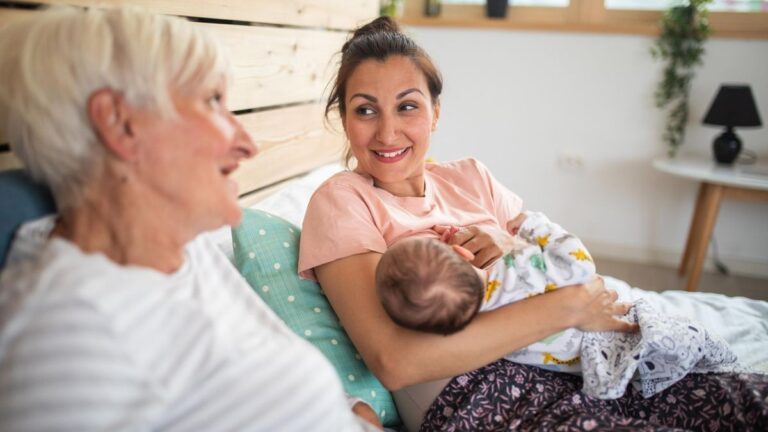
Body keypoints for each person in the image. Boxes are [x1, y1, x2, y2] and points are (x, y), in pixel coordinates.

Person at [298, 16, 768, 430]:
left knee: (746, 402)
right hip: (480, 391)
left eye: (407, 106)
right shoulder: (342, 201)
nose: (386, 132)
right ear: (344, 119)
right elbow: (396, 361)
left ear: (435, 112)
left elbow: (571, 264)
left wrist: (508, 243)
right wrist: (569, 308)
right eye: (365, 110)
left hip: (583, 358)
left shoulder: (470, 176)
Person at [0, 6, 380, 431]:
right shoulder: (69, 332)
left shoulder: (184, 248)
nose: (246, 144)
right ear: (119, 123)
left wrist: (346, 411)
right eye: (212, 101)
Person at [375, 211, 595, 371]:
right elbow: (581, 266)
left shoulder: (483, 325)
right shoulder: (517, 272)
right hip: (606, 330)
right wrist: (534, 225)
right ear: (463, 252)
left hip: (587, 366)